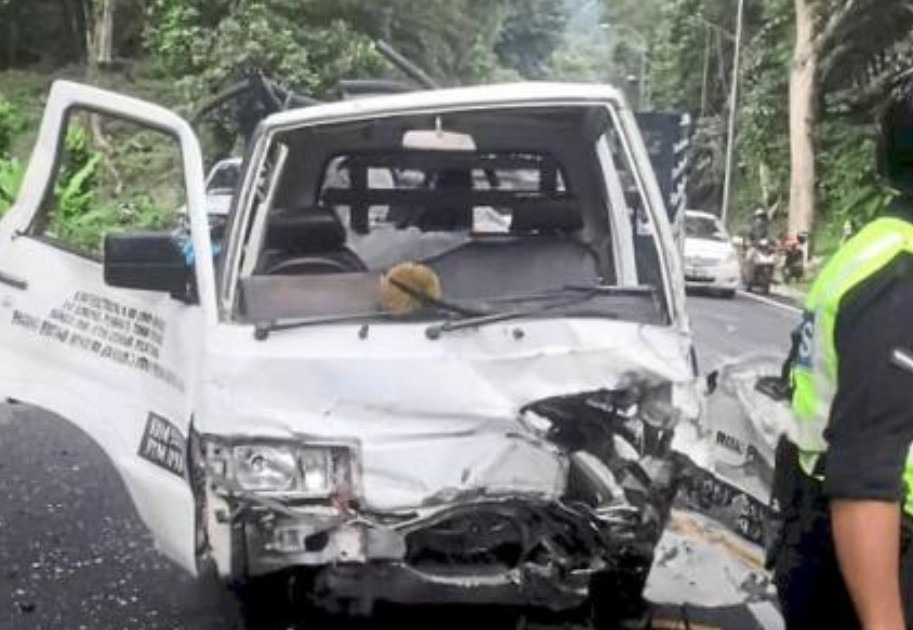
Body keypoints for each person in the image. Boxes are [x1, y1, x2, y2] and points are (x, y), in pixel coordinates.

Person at [772, 81, 913, 629]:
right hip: (877, 564)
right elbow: (865, 474)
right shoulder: (899, 278)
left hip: (825, 537)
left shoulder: (876, 248)